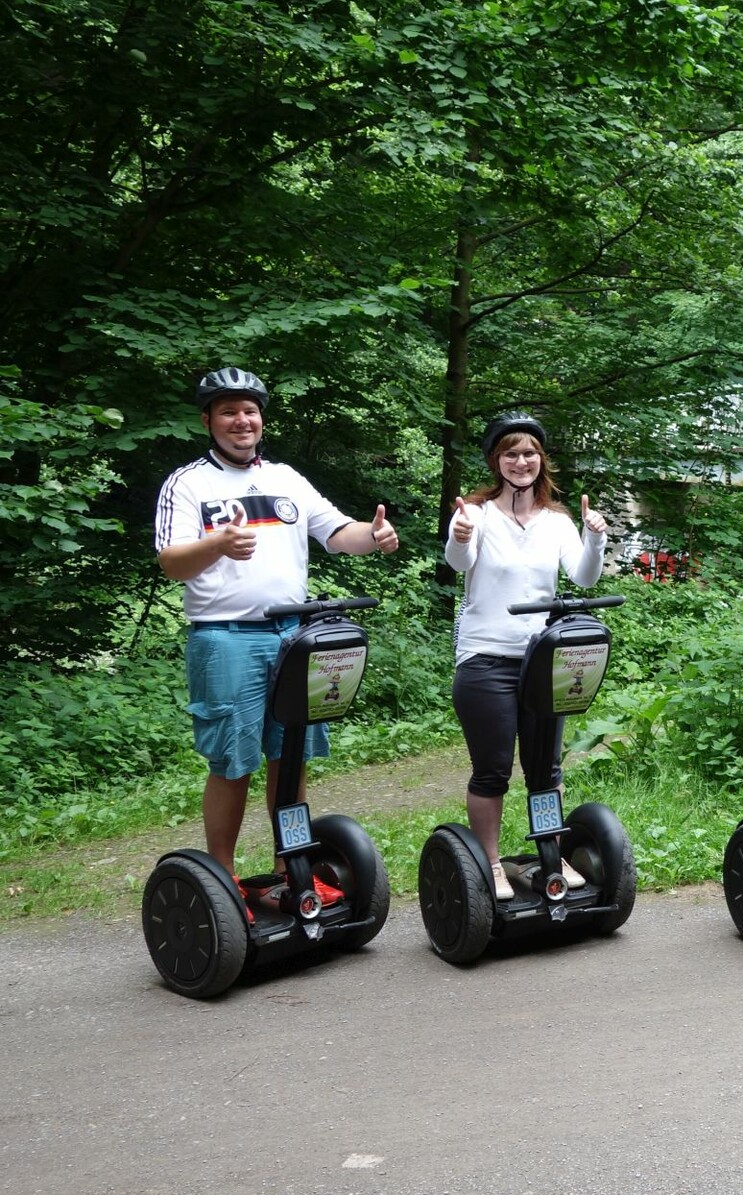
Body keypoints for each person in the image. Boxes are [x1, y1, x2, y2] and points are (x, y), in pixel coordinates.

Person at [155, 367, 399, 892]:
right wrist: (217, 544)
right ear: (208, 421)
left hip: (295, 635)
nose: (241, 420)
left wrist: (373, 535)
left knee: (290, 755)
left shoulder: (287, 479)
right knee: (232, 760)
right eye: (228, 411)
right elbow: (172, 562)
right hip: (226, 638)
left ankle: (292, 863)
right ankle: (221, 879)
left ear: (261, 419)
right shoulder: (189, 482)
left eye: (249, 411)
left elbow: (338, 534)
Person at [445, 413, 608, 901]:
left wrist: (595, 535)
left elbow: (584, 579)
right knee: (493, 770)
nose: (522, 461)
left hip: (542, 660)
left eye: (530, 453)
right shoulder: (476, 513)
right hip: (486, 660)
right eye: (511, 453)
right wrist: (460, 536)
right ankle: (491, 863)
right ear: (497, 460)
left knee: (546, 770)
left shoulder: (556, 521)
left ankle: (550, 854)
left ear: (542, 460)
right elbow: (460, 564)